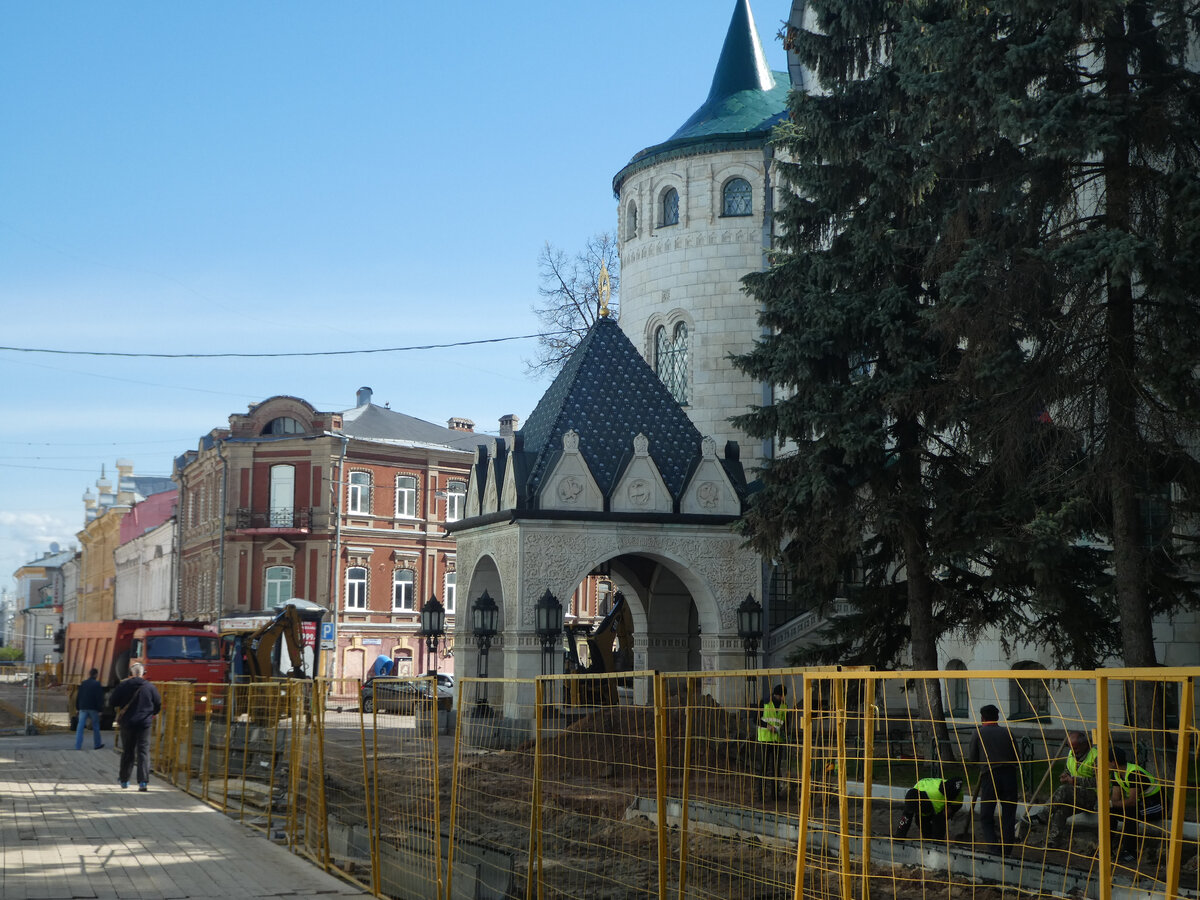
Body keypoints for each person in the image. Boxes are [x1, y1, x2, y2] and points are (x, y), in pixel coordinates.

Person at [966, 704, 1019, 847]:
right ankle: (1007, 849)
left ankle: (994, 848)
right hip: (1010, 777)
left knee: (986, 815)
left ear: (982, 718)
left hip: (990, 777)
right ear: (997, 717)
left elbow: (972, 759)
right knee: (1009, 815)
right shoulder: (1008, 733)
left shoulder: (978, 733)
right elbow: (1017, 758)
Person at [109, 662, 162, 792]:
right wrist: (150, 714)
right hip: (144, 723)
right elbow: (158, 704)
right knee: (143, 751)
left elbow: (112, 701)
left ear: (131, 672)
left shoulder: (123, 685)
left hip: (127, 722)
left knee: (128, 751)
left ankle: (124, 780)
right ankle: (143, 782)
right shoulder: (150, 687)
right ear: (143, 673)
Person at [1108, 746, 1164, 865]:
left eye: (1105, 761)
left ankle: (1130, 852)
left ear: (1113, 763)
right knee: (1110, 811)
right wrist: (1110, 805)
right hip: (1141, 803)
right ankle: (1106, 847)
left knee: (1131, 811)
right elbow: (1115, 798)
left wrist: (1113, 803)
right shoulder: (1116, 774)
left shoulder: (1134, 773)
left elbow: (1132, 801)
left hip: (1157, 805)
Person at [1046, 730, 1099, 848]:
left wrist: (1074, 781)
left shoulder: (1096, 756)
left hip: (1093, 797)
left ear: (1085, 745)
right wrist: (1065, 776)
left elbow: (1099, 781)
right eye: (1071, 748)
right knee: (1060, 810)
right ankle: (1053, 841)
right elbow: (1067, 770)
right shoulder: (1071, 753)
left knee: (1064, 789)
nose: (1073, 752)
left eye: (1076, 749)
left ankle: (1045, 812)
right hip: (1075, 795)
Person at [894, 776, 968, 840]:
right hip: (928, 800)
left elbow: (958, 781)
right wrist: (899, 837)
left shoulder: (950, 793)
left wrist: (950, 808)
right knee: (920, 821)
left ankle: (937, 842)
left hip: (947, 804)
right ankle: (928, 839)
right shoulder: (914, 798)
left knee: (939, 821)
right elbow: (905, 819)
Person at [756, 684, 787, 800]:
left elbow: (786, 722)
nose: (784, 698)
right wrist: (768, 726)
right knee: (763, 769)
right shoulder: (764, 703)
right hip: (764, 740)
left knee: (776, 768)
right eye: (783, 695)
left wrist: (784, 731)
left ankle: (774, 795)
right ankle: (760, 795)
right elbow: (756, 719)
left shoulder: (784, 706)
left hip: (777, 741)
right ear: (779, 695)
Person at [74, 667, 105, 751]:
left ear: (89, 674)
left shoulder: (83, 683)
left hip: (83, 708)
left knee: (80, 727)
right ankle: (97, 744)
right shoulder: (97, 684)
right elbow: (99, 698)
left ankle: (77, 746)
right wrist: (100, 710)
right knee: (95, 726)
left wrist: (77, 707)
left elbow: (79, 696)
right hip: (93, 708)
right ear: (96, 675)